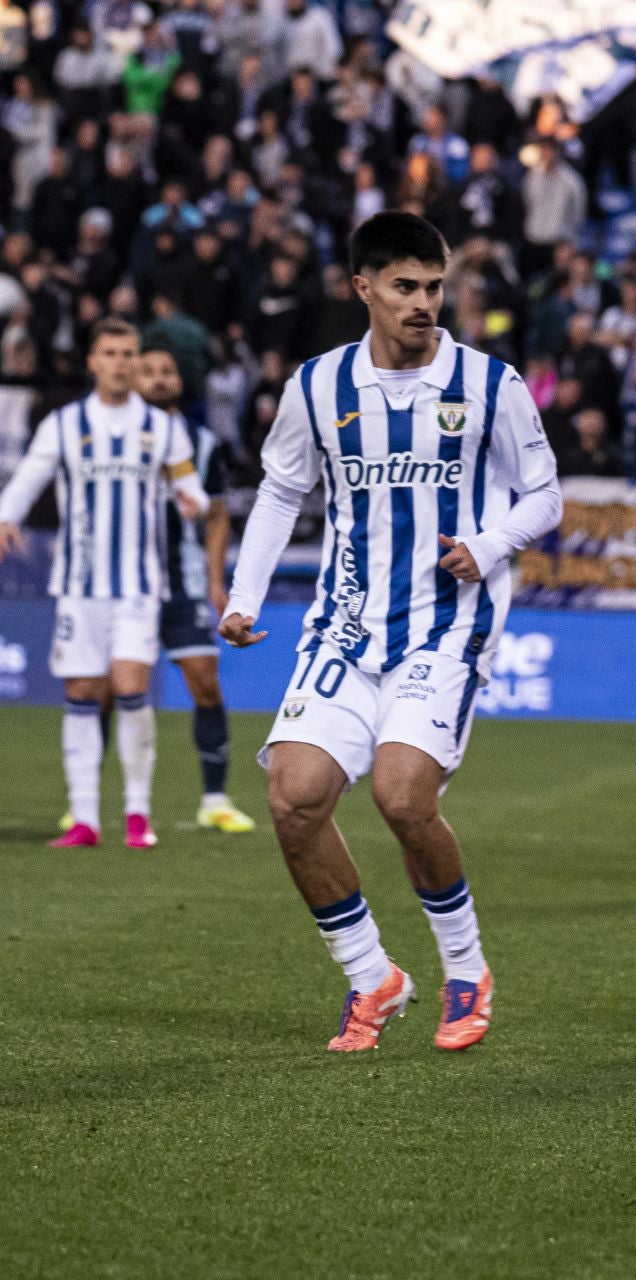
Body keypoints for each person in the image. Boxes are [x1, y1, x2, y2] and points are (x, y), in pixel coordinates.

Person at [216, 212, 563, 1053]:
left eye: (434, 287)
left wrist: (487, 545)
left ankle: (466, 969)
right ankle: (373, 978)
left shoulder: (491, 383)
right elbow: (278, 491)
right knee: (293, 801)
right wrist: (244, 596)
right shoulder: (317, 387)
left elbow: (545, 496)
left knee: (403, 795)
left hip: (446, 628)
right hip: (343, 627)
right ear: (362, 288)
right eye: (404, 287)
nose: (423, 303)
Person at [0, 318, 209, 848]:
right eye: (111, 352)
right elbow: (27, 481)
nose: (121, 362)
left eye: (129, 353)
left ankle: (138, 815)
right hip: (79, 584)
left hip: (139, 585)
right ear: (93, 361)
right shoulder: (65, 424)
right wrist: (6, 517)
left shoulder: (162, 428)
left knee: (131, 686)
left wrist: (193, 501)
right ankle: (87, 818)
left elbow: (193, 488)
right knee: (82, 692)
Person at [137, 342, 257, 832]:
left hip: (184, 583)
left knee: (205, 684)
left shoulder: (203, 443)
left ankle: (215, 799)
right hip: (126, 585)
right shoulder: (112, 438)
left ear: (180, 382)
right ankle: (87, 805)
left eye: (167, 370)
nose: (159, 378)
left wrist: (215, 580)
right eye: (149, 371)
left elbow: (217, 516)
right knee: (103, 691)